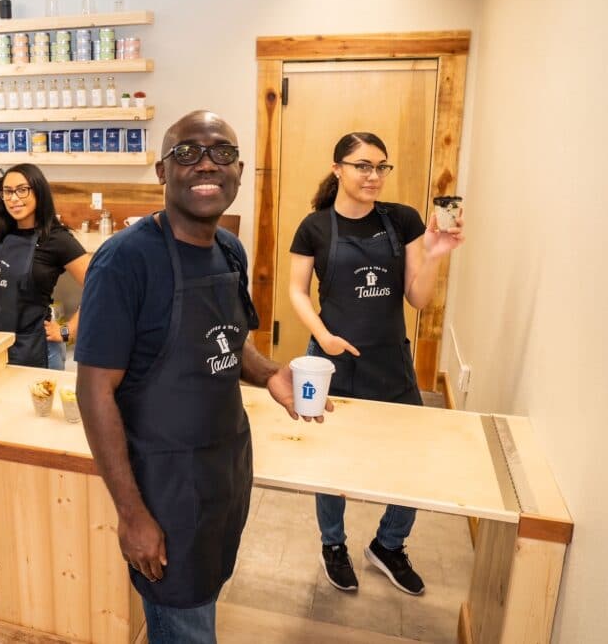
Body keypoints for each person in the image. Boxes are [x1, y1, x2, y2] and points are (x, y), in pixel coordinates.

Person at [75, 111, 323, 642]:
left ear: (238, 171)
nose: (206, 163)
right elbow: (94, 391)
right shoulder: (125, 262)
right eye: (187, 153)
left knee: (204, 598)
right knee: (183, 623)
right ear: (163, 172)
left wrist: (269, 373)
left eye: (221, 152)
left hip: (225, 466)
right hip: (162, 484)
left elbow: (230, 340)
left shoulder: (229, 250)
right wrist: (132, 513)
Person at [288, 132, 465, 596]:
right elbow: (296, 291)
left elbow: (417, 297)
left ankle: (388, 544)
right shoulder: (314, 227)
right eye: (362, 165)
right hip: (330, 363)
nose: (373, 176)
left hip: (390, 360)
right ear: (338, 169)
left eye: (381, 167)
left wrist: (435, 255)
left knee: (410, 461)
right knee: (330, 463)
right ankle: (333, 545)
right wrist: (323, 336)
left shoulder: (402, 220)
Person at [0, 163, 89, 368]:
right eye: (7, 192)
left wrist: (68, 330)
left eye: (22, 190)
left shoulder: (56, 239)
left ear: (39, 192)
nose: (13, 198)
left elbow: (101, 286)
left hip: (34, 351)